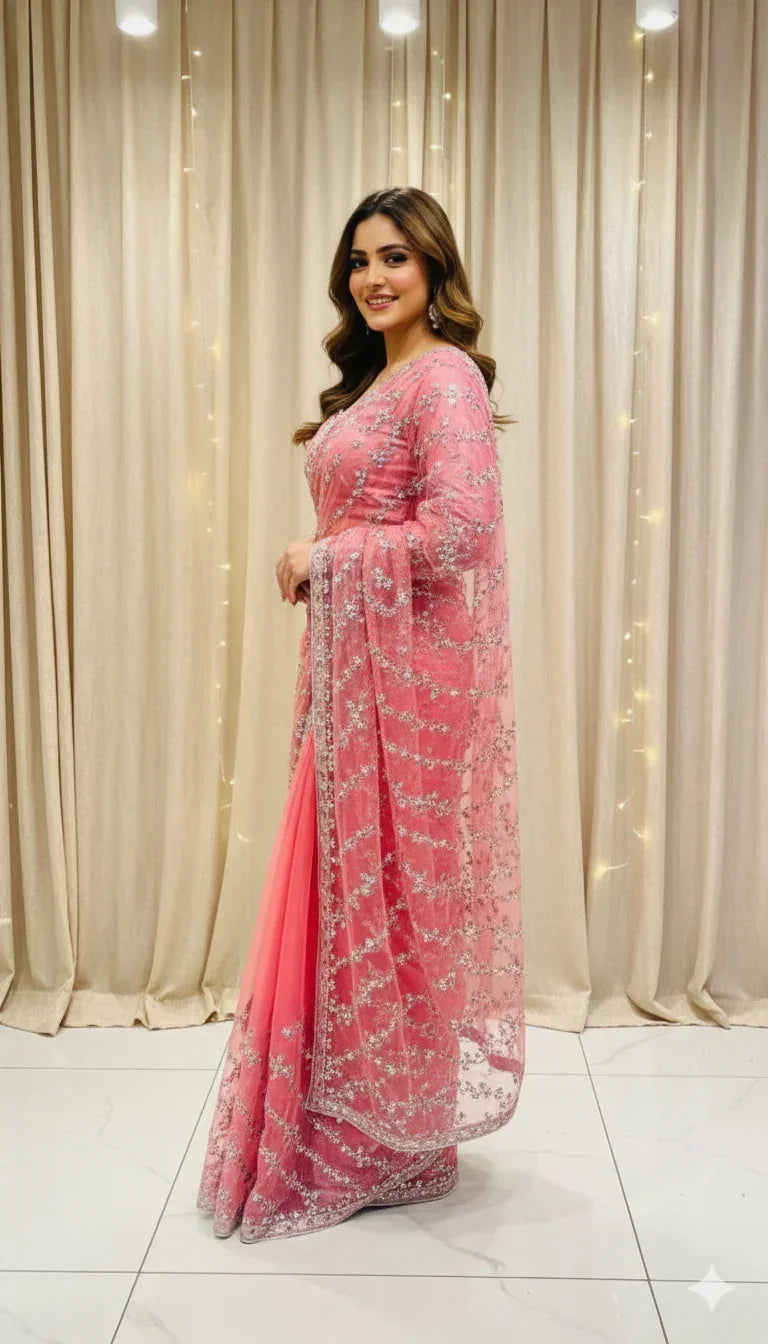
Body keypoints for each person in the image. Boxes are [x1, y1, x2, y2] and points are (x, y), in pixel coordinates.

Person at [196, 186, 525, 1243]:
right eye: (359, 261)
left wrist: (325, 556)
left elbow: (463, 533)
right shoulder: (381, 381)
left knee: (392, 904)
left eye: (397, 258)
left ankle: (393, 1139)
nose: (374, 277)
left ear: (436, 270)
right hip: (350, 681)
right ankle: (354, 1126)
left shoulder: (444, 381)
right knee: (349, 902)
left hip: (411, 690)